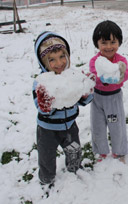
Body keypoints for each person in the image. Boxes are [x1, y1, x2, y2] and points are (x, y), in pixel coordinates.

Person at [33, 31, 94, 185]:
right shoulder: (41, 82)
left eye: (62, 56)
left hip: (69, 125)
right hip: (47, 129)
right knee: (46, 156)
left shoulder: (71, 76)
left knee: (74, 150)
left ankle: (74, 169)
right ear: (43, 62)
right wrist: (46, 102)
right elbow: (40, 108)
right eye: (51, 60)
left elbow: (80, 100)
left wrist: (86, 91)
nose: (59, 63)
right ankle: (46, 178)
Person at [89, 20, 128, 162]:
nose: (108, 47)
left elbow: (126, 74)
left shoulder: (121, 60)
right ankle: (101, 151)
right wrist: (103, 80)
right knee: (98, 126)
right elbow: (94, 76)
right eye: (104, 43)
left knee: (116, 125)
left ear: (119, 42)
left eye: (113, 42)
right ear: (97, 44)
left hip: (114, 98)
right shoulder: (95, 61)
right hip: (97, 98)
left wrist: (121, 75)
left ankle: (119, 151)